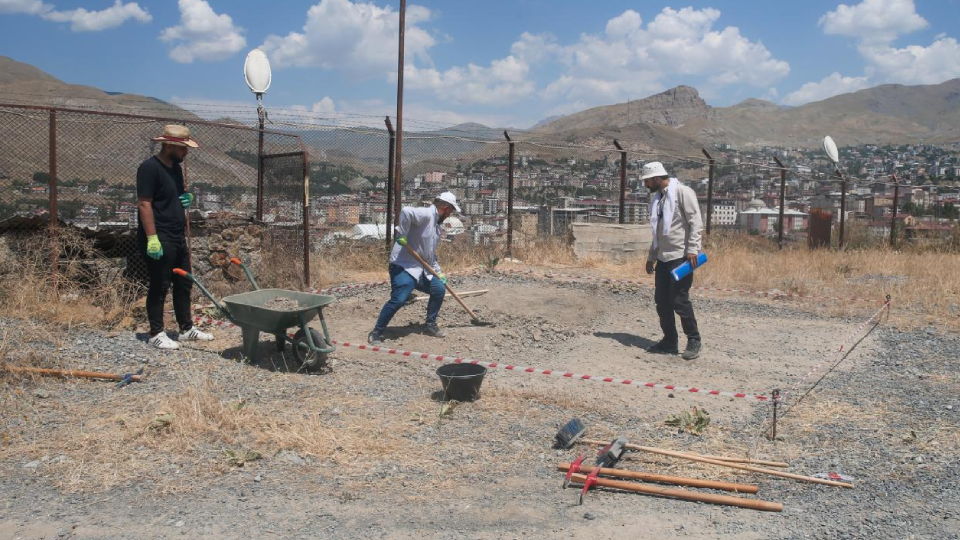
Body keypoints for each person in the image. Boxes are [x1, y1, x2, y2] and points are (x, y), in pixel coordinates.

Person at [137, 125, 213, 350]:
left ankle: (186, 329)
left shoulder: (175, 170)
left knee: (184, 282)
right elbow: (144, 203)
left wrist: (186, 197)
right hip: (160, 236)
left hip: (177, 235)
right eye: (182, 148)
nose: (186, 153)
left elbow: (177, 195)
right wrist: (152, 237)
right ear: (169, 145)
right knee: (160, 285)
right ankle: (156, 333)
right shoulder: (149, 168)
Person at [368, 192, 460, 345]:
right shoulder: (426, 214)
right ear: (444, 208)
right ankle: (376, 332)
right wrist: (402, 234)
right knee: (399, 299)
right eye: (450, 211)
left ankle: (430, 324)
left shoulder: (436, 228)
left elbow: (430, 256)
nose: (450, 214)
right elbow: (406, 211)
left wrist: (439, 273)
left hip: (422, 268)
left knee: (439, 289)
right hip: (403, 265)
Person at [642, 161, 703, 360]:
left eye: (647, 180)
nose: (646, 185)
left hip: (681, 257)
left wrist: (693, 249)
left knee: (679, 300)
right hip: (663, 258)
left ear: (657, 177)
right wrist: (652, 257)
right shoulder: (658, 200)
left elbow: (695, 222)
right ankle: (669, 341)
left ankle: (693, 340)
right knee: (662, 301)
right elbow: (658, 232)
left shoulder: (683, 192)